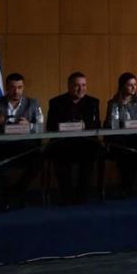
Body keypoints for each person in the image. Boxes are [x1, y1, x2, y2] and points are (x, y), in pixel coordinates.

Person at [0, 72, 42, 209]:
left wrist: (30, 126)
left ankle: (15, 192)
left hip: (25, 146)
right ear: (6, 88)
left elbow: (41, 127)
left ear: (23, 87)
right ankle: (13, 193)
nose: (16, 91)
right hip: (3, 147)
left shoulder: (32, 103)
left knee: (39, 159)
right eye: (12, 88)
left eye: (19, 87)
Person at [45, 71, 102, 204]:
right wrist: (66, 125)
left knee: (91, 152)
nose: (81, 89)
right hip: (63, 142)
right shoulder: (56, 102)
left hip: (85, 142)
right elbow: (50, 126)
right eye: (77, 85)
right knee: (58, 154)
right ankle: (66, 195)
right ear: (69, 86)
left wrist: (85, 125)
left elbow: (96, 125)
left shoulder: (93, 102)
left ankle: (82, 194)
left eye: (84, 85)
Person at [103, 72, 137, 196]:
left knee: (134, 150)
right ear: (122, 86)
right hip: (120, 140)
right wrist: (122, 106)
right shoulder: (113, 103)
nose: (133, 87)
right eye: (130, 85)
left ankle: (127, 185)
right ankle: (127, 185)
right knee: (125, 152)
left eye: (135, 84)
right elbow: (109, 124)